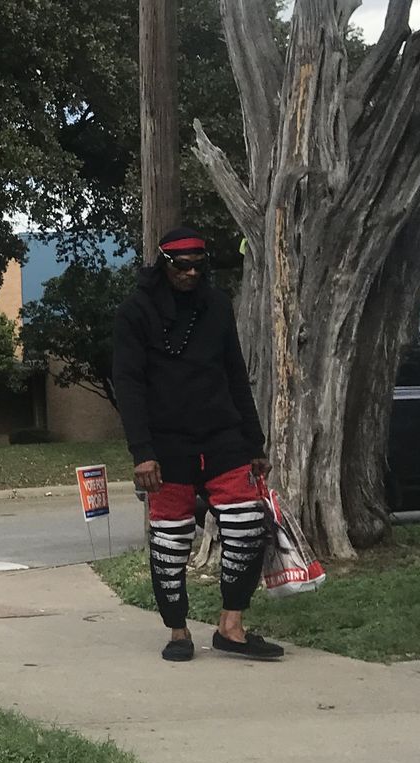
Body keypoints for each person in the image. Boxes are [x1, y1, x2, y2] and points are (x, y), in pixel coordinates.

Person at [112, 226, 284, 662]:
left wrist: (254, 442)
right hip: (166, 444)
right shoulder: (136, 311)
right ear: (163, 264)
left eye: (197, 265)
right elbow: (129, 384)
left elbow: (234, 374)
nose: (190, 273)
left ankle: (232, 626)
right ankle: (178, 631)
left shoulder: (217, 306)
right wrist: (142, 451)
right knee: (171, 537)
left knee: (247, 525)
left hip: (223, 436)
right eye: (180, 266)